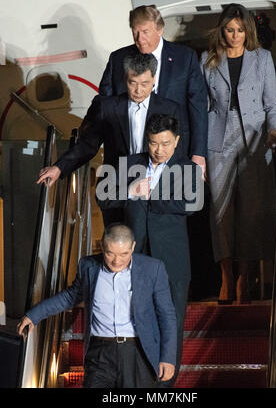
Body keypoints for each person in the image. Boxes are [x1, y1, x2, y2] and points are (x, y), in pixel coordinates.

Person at [98, 113, 203, 386]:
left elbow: (192, 204)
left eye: (166, 143)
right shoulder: (130, 163)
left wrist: (153, 196)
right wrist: (131, 191)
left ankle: (165, 388)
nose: (159, 150)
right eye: (154, 143)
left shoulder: (188, 168)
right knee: (135, 322)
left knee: (171, 323)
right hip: (135, 260)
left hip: (172, 261)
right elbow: (103, 196)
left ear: (177, 141)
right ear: (147, 140)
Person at [17, 224, 177, 388]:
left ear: (133, 247)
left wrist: (168, 357)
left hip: (137, 351)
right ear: (102, 246)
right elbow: (70, 297)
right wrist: (34, 315)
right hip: (100, 352)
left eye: (124, 254)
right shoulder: (88, 266)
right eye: (110, 253)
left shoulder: (153, 268)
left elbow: (167, 315)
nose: (117, 261)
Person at [200, 3, 276, 304]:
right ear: (222, 31)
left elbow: (272, 105)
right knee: (221, 212)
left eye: (239, 30)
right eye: (229, 30)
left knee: (251, 210)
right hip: (218, 138)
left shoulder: (261, 59)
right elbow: (204, 109)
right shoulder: (208, 60)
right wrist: (199, 154)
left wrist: (274, 132)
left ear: (247, 30)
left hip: (254, 139)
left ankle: (245, 277)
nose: (234, 35)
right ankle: (225, 277)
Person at [36, 53, 180, 226]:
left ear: (154, 79)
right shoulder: (107, 107)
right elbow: (88, 145)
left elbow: (178, 153)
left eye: (145, 84)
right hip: (117, 187)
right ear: (125, 78)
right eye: (132, 83)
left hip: (157, 189)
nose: (138, 90)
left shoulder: (170, 109)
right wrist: (59, 167)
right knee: (116, 247)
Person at [99, 4, 208, 178]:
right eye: (135, 32)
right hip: (129, 158)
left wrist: (198, 154)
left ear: (160, 30)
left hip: (174, 154)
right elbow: (104, 103)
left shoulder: (185, 58)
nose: (139, 38)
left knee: (171, 203)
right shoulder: (118, 59)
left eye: (145, 32)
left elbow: (198, 107)